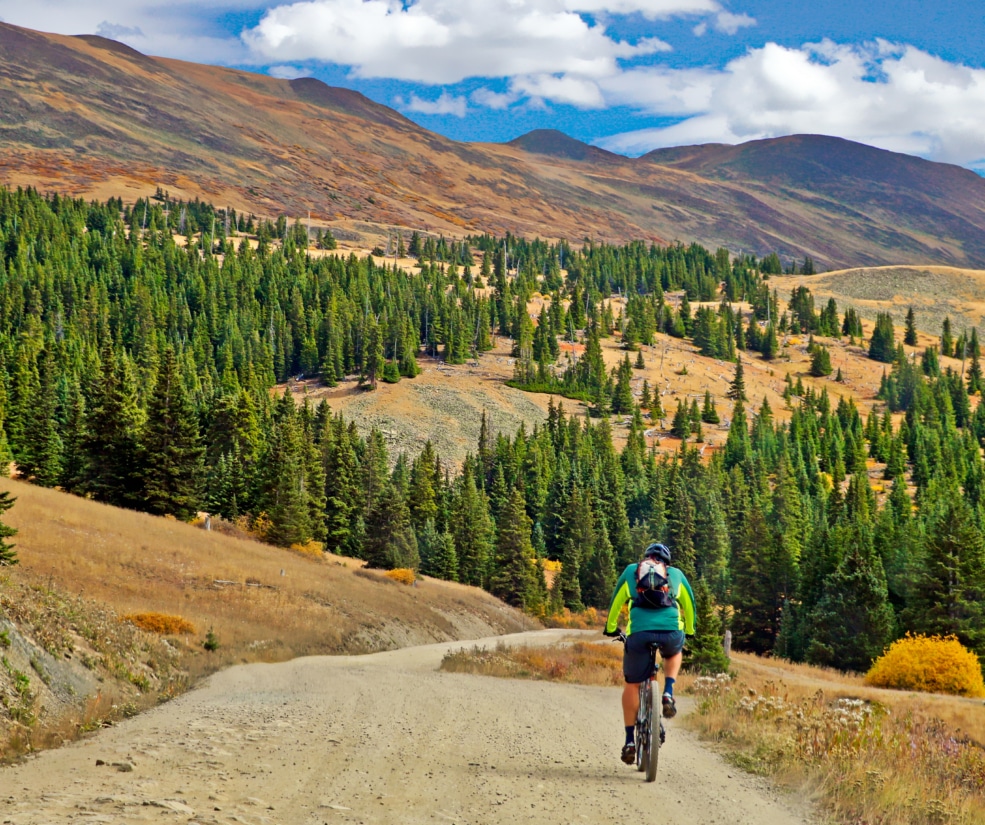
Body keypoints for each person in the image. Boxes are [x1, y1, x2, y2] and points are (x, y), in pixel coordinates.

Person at [603, 542, 696, 765]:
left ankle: (629, 741)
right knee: (674, 653)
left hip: (639, 634)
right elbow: (690, 605)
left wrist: (611, 627)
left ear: (646, 559)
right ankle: (668, 692)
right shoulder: (676, 574)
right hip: (670, 632)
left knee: (632, 684)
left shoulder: (631, 571)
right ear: (666, 563)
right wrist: (690, 630)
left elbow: (616, 601)